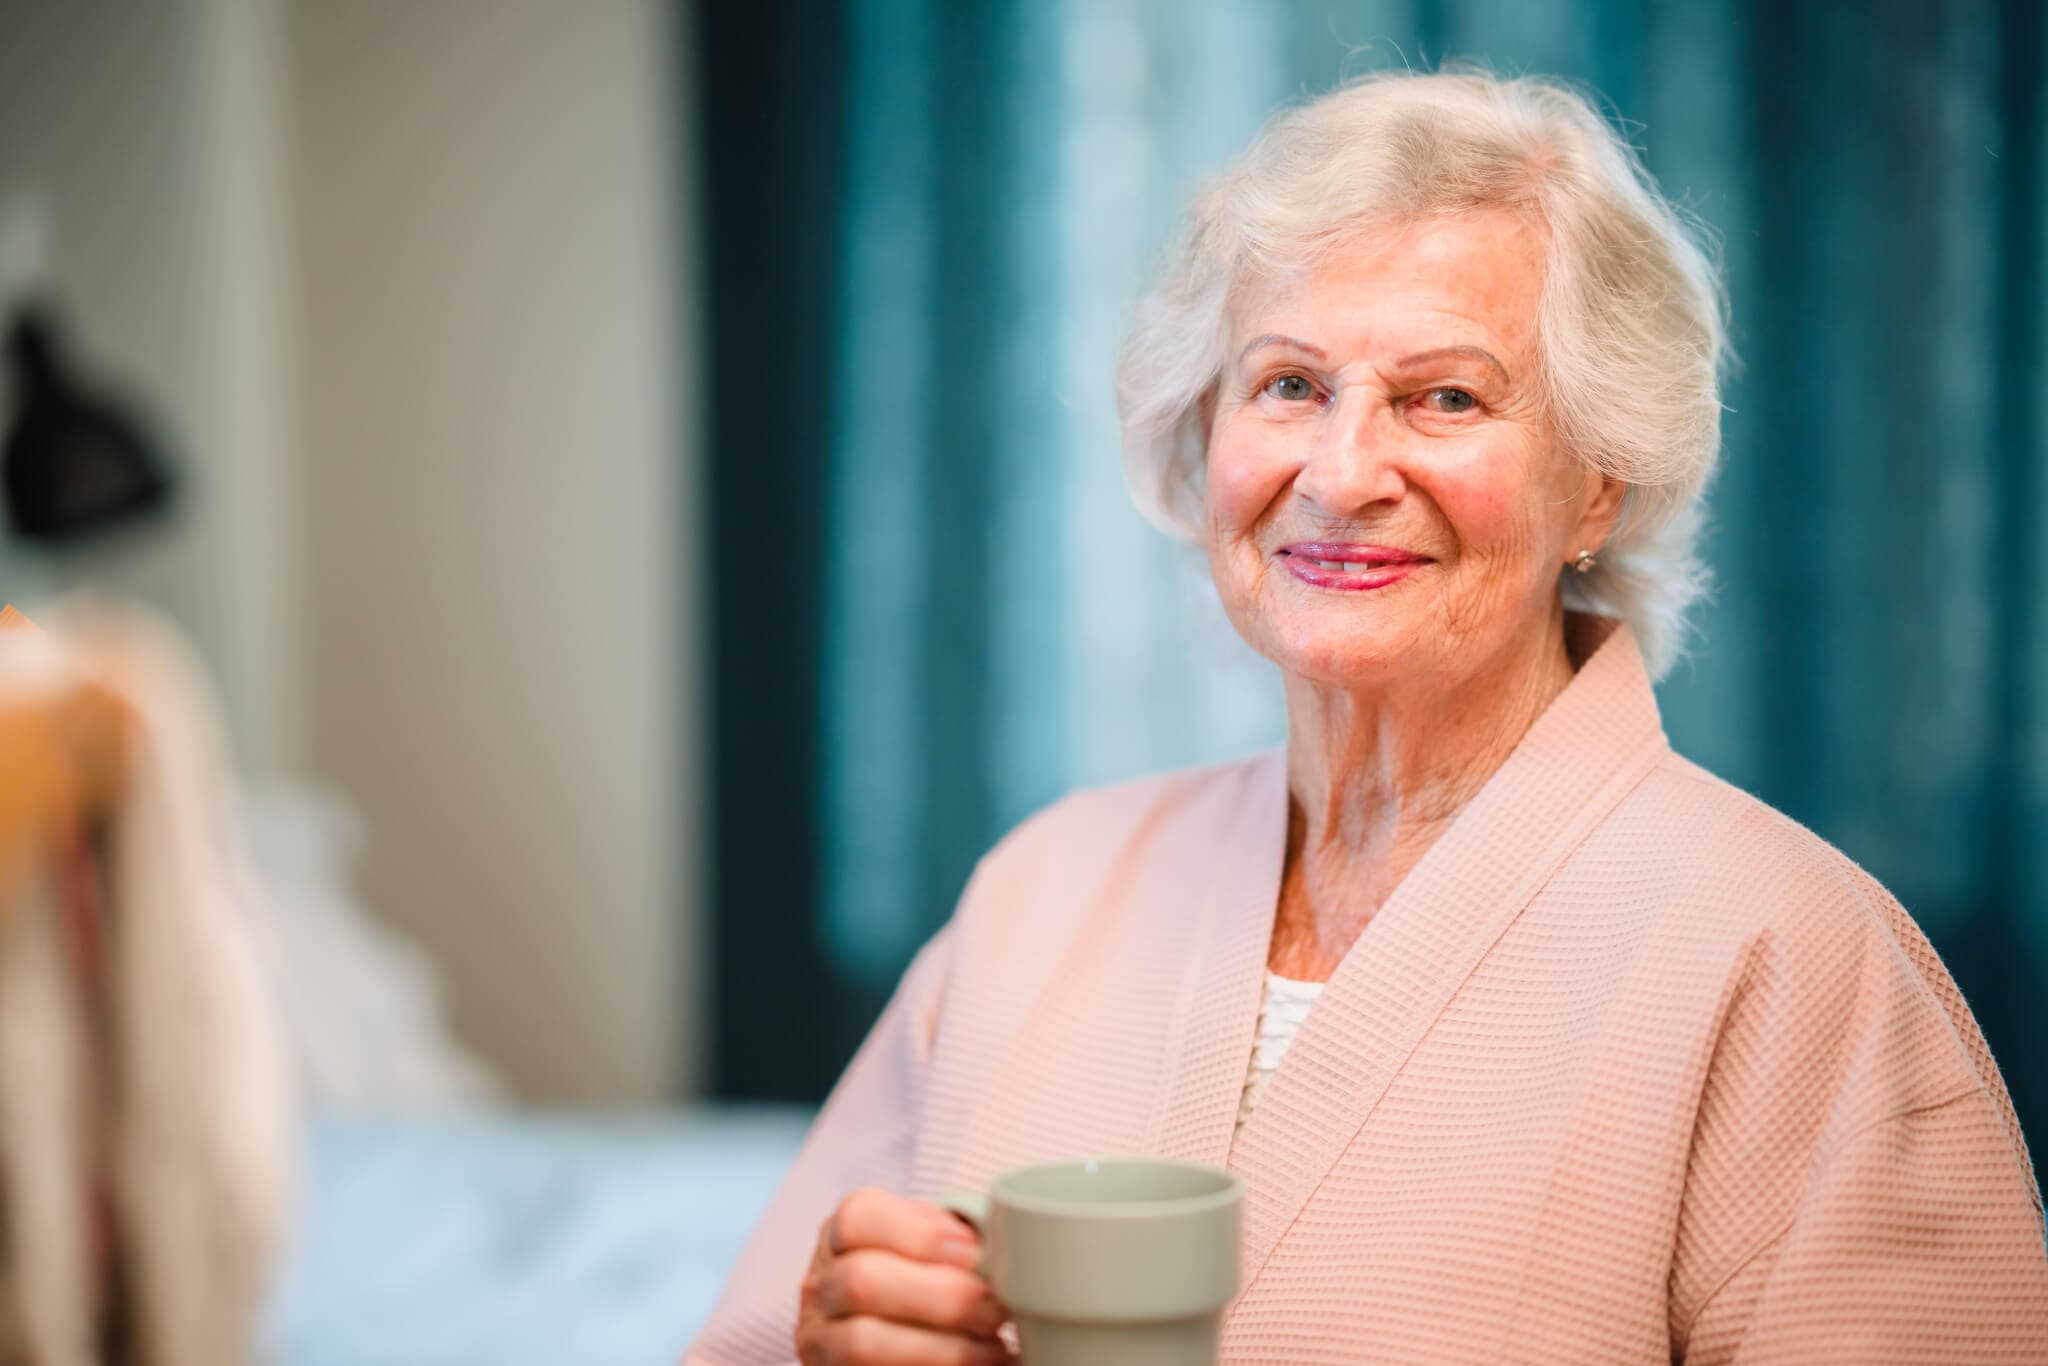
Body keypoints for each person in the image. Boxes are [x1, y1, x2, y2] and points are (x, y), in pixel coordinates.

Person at [688, 69, 2048, 1364]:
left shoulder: (1797, 954)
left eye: (1444, 397)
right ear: (1202, 433)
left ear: (1599, 486)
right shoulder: (1041, 889)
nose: (1341, 473)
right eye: (1287, 384)